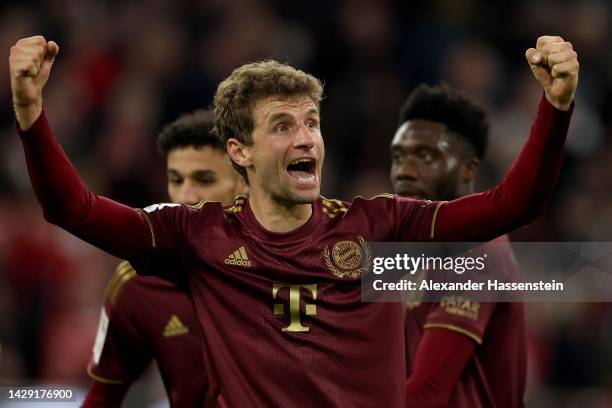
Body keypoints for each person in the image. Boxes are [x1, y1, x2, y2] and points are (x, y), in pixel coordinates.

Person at [10, 35, 577, 406]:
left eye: (311, 122)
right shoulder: (197, 236)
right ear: (240, 152)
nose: (306, 136)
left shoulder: (378, 227)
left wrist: (554, 108)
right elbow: (72, 209)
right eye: (282, 125)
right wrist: (32, 116)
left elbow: (511, 206)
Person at [82, 110, 247, 407]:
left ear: (246, 184)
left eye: (204, 179)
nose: (184, 195)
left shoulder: (294, 255)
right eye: (175, 179)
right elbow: (102, 397)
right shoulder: (136, 284)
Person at [391, 84, 526, 407]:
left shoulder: (477, 250)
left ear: (468, 170)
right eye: (398, 157)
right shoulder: (408, 247)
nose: (405, 173)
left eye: (426, 156)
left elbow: (427, 391)